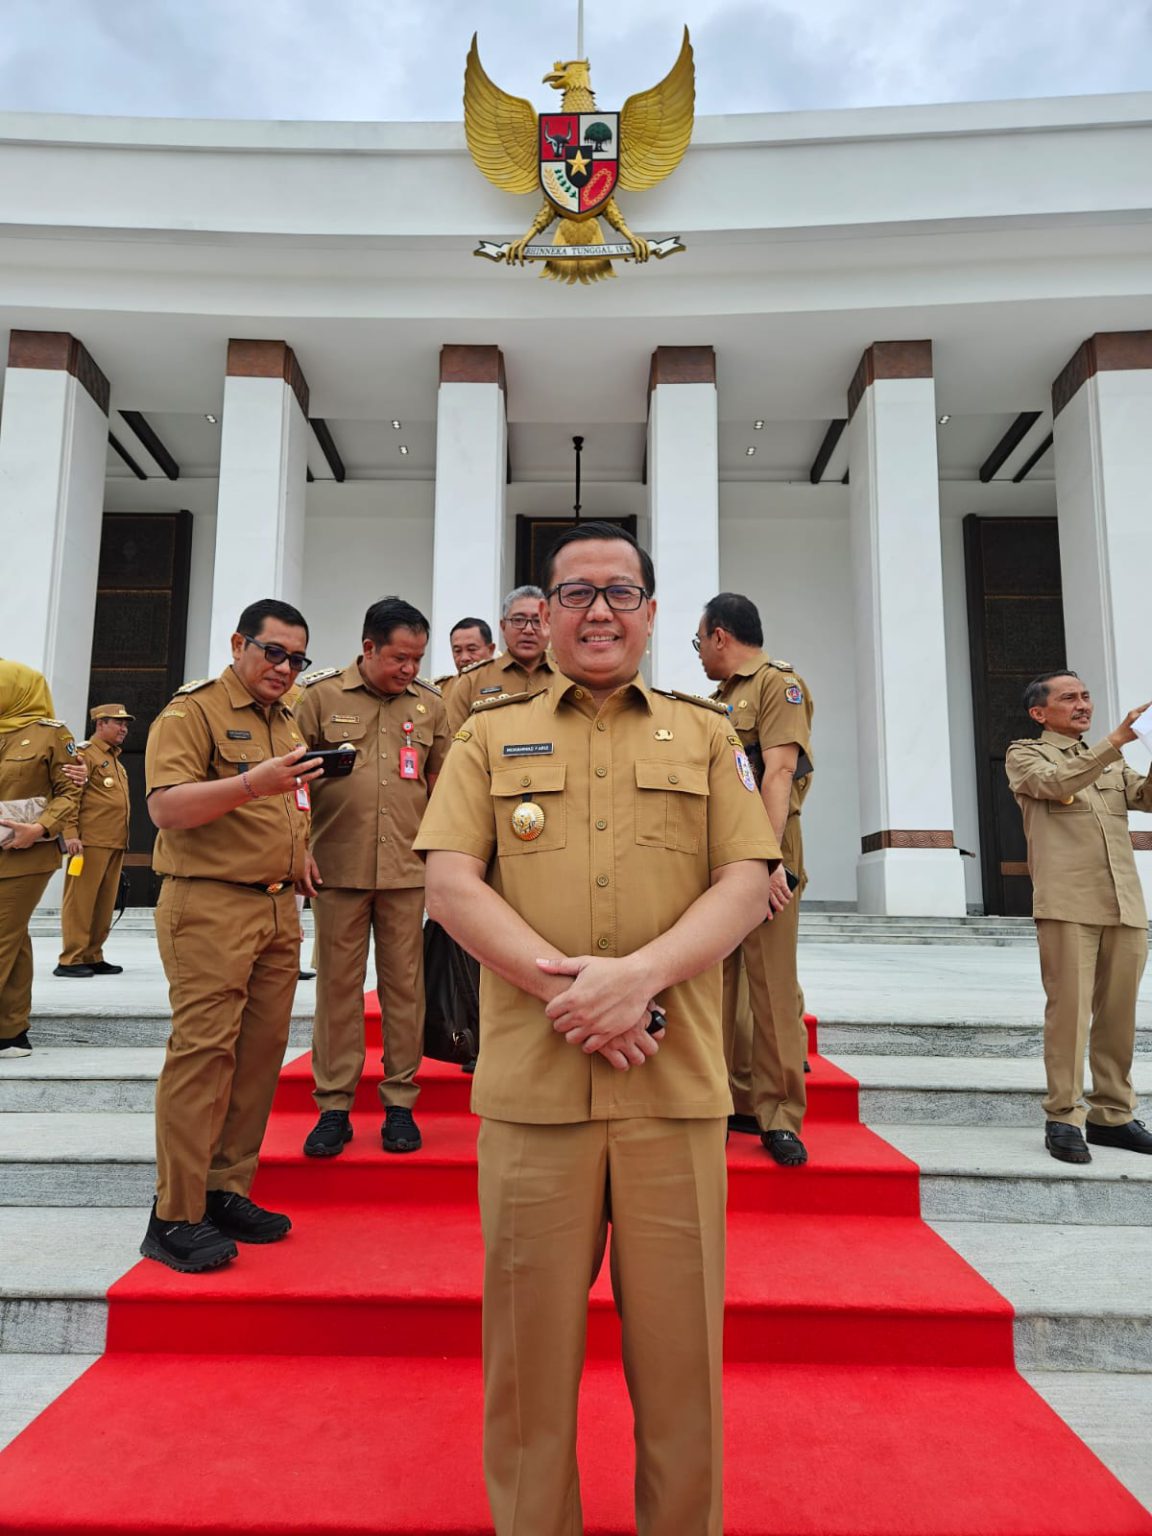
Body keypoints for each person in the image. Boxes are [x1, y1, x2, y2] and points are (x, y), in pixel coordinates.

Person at [415, 521, 780, 1536]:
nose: (599, 612)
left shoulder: (708, 734)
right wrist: (575, 995)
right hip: (536, 1092)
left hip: (674, 1088)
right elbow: (450, 885)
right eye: (575, 594)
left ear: (654, 615)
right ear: (545, 616)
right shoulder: (488, 733)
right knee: (529, 1368)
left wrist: (642, 979)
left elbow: (748, 881)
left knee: (682, 1369)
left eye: (621, 593)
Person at [140, 599, 323, 1273]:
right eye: (273, 652)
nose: (284, 668)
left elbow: (289, 801)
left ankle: (225, 1189)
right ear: (239, 643)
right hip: (210, 907)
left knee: (257, 1059)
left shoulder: (287, 716)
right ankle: (174, 1213)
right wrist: (251, 783)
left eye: (297, 658)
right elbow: (164, 808)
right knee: (204, 1057)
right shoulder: (192, 712)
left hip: (276, 909)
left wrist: (297, 851)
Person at [294, 597, 449, 1158]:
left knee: (405, 988)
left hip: (408, 870)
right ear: (368, 648)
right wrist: (297, 848)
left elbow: (442, 786)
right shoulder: (318, 697)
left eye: (417, 658)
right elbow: (293, 783)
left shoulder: (431, 706)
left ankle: (400, 1103)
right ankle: (333, 1107)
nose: (409, 669)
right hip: (337, 866)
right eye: (399, 658)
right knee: (338, 988)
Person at [1006, 671, 1152, 1164]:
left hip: (1124, 904)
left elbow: (1146, 798)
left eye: (1086, 696)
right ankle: (1063, 1116)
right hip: (1069, 904)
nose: (1083, 704)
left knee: (1118, 1017)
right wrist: (1114, 741)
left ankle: (1112, 1115)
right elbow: (1056, 783)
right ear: (1039, 713)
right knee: (1068, 1015)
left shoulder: (1109, 764)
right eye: (1069, 698)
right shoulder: (1025, 755)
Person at [696, 593, 814, 1166]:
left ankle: (779, 1114)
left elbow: (781, 771)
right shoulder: (715, 699)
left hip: (767, 857)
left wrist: (767, 862)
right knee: (716, 989)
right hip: (719, 857)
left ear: (720, 636)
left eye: (700, 643)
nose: (698, 656)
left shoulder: (777, 685)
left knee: (769, 989)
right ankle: (721, 1103)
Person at [0, 661, 81, 1060]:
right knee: (13, 939)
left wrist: (42, 828)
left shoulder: (51, 735)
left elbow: (70, 793)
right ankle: (12, 1032)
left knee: (1, 935)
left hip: (24, 857)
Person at [54, 703, 133, 977]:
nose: (124, 728)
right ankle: (70, 959)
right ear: (100, 724)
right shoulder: (83, 754)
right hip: (88, 843)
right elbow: (69, 796)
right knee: (80, 902)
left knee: (103, 904)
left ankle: (93, 954)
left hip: (113, 841)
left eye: (125, 724)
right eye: (118, 722)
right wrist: (71, 835)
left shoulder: (114, 759)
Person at [444, 586, 555, 734]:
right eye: (518, 620)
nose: (528, 630)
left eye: (537, 621)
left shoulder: (569, 677)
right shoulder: (471, 681)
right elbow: (455, 745)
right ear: (503, 627)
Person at [433, 617, 496, 717]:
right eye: (457, 651)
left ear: (491, 649)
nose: (464, 658)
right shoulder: (440, 690)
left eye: (472, 649)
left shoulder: (505, 681)